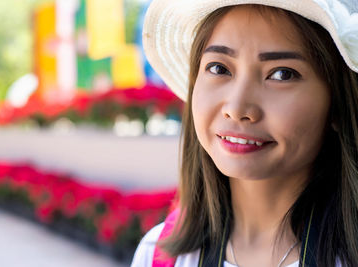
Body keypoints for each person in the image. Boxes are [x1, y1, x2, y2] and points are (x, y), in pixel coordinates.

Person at [132, 0, 358, 266]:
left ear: (337, 104)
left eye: (282, 74)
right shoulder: (158, 256)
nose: (237, 108)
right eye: (219, 68)